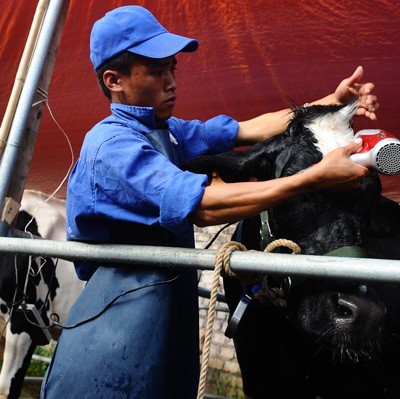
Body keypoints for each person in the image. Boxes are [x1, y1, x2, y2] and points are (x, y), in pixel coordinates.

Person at [41, 5, 379, 399]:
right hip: (118, 314)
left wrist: (330, 104)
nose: (171, 83)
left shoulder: (166, 132)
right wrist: (311, 179)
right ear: (114, 80)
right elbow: (203, 206)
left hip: (167, 301)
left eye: (173, 69)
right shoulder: (112, 145)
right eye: (156, 71)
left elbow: (248, 128)